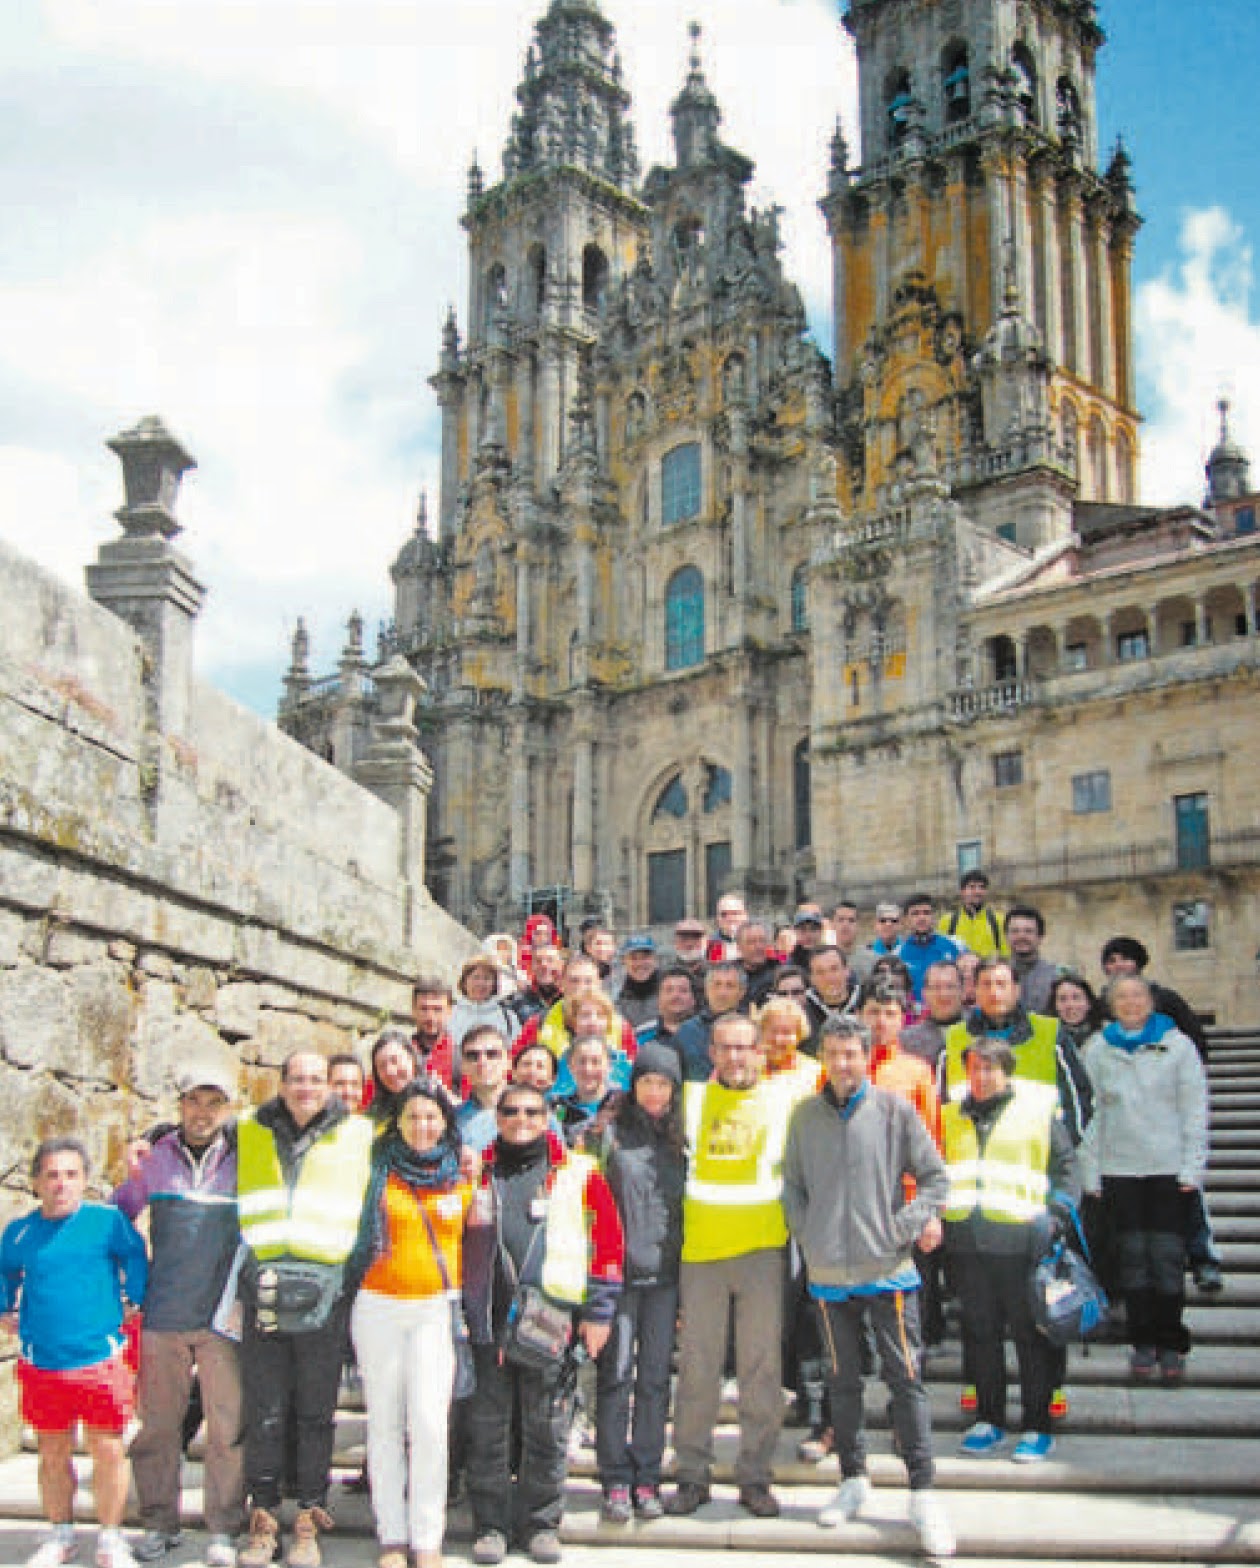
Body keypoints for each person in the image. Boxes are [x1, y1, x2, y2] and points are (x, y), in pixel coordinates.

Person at [783, 1018, 954, 1558]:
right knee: (843, 1380)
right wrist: (806, 1234)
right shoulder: (806, 1116)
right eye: (832, 1054)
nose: (841, 1064)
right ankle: (852, 1477)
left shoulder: (894, 1110)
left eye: (851, 1054)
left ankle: (922, 1490)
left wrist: (901, 1227)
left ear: (866, 1056)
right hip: (829, 1274)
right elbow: (792, 1185)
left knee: (905, 1376)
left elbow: (935, 1178)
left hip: (888, 1270)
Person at [462, 1083, 623, 1566]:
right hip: (489, 1321)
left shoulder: (579, 1172)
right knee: (488, 1431)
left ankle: (541, 1524)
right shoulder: (474, 1172)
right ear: (498, 1115)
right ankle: (490, 1525)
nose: (520, 1119)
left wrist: (599, 1312)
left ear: (547, 1115)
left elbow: (609, 1242)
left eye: (532, 1111)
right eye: (509, 1111)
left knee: (547, 1430)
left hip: (552, 1320)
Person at [236, 1052, 374, 1568]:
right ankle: (264, 1515)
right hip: (265, 1286)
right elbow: (193, 1137)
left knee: (316, 1412)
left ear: (331, 1087)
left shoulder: (360, 1133)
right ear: (283, 1083)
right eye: (297, 1079)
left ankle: (309, 1516)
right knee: (266, 1410)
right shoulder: (249, 1128)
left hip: (327, 1289)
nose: (307, 1088)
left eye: (317, 1080)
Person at [666, 1013, 807, 1520]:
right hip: (701, 1254)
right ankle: (690, 1475)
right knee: (699, 1370)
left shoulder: (785, 1099)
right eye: (724, 1048)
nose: (733, 1057)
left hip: (763, 1253)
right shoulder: (693, 1099)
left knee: (761, 1369)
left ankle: (755, 1476)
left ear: (760, 1051)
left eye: (743, 1047)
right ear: (712, 1053)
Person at [113, 1065, 243, 1568]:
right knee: (158, 1430)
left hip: (221, 1320)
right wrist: (129, 1286)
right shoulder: (155, 1159)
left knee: (226, 1430)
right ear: (179, 1104)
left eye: (214, 1102)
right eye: (194, 1101)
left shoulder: (243, 1158)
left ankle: (224, 1529)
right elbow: (117, 1217)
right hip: (163, 1313)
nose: (203, 1112)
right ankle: (158, 1524)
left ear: (227, 1109)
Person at [1, 1137, 148, 1568]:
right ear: (36, 1183)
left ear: (84, 1180)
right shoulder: (20, 1231)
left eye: (70, 1175)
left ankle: (111, 1538)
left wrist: (134, 1298)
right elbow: (4, 1272)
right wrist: (5, 1307)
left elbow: (136, 1257)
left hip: (98, 1360)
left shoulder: (107, 1222)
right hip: (42, 1361)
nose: (61, 1184)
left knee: (108, 1450)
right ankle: (60, 1535)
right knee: (52, 1453)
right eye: (51, 1175)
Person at [347, 1083, 474, 1568]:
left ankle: (427, 1539)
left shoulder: (461, 1175)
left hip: (434, 1310)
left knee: (428, 1424)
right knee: (384, 1422)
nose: (422, 1126)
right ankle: (392, 1536)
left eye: (431, 1117)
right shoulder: (376, 1171)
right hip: (378, 1304)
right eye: (412, 1117)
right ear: (397, 1123)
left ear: (445, 1122)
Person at [942, 1039, 1079, 1463]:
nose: (981, 1077)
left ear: (1006, 1071)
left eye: (990, 1069)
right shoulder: (951, 1115)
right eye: (974, 1069)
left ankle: (1038, 1425)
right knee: (980, 1334)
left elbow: (1068, 1167)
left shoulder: (1036, 1113)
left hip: (1022, 1241)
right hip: (967, 1241)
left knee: (1030, 1336)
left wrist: (1057, 1213)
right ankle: (989, 1418)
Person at [1078, 976, 1209, 1383]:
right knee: (1132, 1260)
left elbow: (1194, 1110)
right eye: (1122, 997)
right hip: (1119, 1170)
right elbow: (1090, 1115)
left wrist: (1193, 1167)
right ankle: (1142, 1341)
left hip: (1168, 1169)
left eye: (1138, 996)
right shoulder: (1097, 1050)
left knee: (1167, 1260)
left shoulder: (1178, 1047)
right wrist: (1090, 1172)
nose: (1131, 1003)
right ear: (1111, 1005)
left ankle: (1171, 1342)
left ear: (1151, 1002)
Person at [593, 1044, 686, 1523]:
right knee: (616, 1378)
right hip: (620, 1278)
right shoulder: (611, 1134)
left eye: (663, 1084)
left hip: (666, 1279)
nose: (655, 1091)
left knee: (653, 1379)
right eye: (647, 1082)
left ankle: (647, 1474)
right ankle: (613, 1477)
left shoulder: (682, 1141)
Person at [1099, 935, 1220, 1293]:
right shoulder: (1102, 1006)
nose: (1119, 966)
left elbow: (1196, 1045)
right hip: (1124, 1126)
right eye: (1113, 960)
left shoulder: (1167, 1001)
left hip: (1164, 1119)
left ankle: (1204, 1260)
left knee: (1188, 1197)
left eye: (1126, 960)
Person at [670, 961, 747, 1083]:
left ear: (741, 992)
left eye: (730, 986)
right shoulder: (687, 1031)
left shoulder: (751, 1031)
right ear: (706, 989)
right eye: (717, 985)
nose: (722, 993)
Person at [450, 956, 521, 1072]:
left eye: (487, 978)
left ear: (494, 984)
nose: (480, 983)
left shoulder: (508, 1017)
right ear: (464, 982)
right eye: (475, 978)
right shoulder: (450, 1014)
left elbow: (516, 1054)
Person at [553, 1034, 621, 1149]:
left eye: (596, 1062)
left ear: (609, 1066)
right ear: (570, 1066)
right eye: (581, 1061)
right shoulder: (558, 1107)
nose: (588, 1069)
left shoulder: (624, 1105)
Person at [455, 1025, 514, 1154]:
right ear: (463, 1066)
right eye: (472, 1056)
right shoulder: (451, 1121)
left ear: (509, 1063)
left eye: (492, 1054)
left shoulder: (535, 1112)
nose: (482, 1062)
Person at [895, 893, 964, 1001]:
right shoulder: (898, 954)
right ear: (906, 919)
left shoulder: (954, 945)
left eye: (926, 913)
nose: (922, 918)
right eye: (915, 914)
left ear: (933, 917)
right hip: (915, 1015)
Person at [901, 960, 966, 1071]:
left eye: (950, 987)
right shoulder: (907, 1041)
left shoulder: (978, 1031)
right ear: (924, 993)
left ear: (962, 991)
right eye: (936, 987)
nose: (943, 994)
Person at [802, 946, 858, 1055]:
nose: (829, 978)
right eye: (820, 972)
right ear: (812, 979)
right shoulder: (803, 1013)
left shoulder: (865, 1003)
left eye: (834, 969)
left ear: (847, 971)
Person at [938, 870, 1007, 958]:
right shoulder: (947, 921)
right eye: (972, 887)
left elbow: (1006, 956)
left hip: (989, 970)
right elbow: (941, 955)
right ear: (962, 891)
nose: (977, 891)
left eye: (982, 887)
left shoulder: (999, 920)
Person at [1004, 906, 1058, 1016]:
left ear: (1040, 937)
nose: (1021, 936)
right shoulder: (992, 976)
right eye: (1015, 931)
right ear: (1006, 936)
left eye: (1028, 931)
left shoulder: (1056, 977)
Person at [613, 934, 662, 1040]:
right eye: (633, 958)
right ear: (624, 962)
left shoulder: (669, 990)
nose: (640, 963)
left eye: (645, 957)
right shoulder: (618, 998)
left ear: (655, 960)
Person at [412, 978, 457, 1093]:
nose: (430, 1017)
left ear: (449, 1011)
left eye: (437, 1010)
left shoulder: (462, 1058)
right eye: (424, 1009)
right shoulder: (400, 1054)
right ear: (413, 1010)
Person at [511, 945, 565, 1027]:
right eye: (538, 961)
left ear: (561, 965)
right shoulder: (517, 1001)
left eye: (550, 960)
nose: (544, 965)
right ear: (532, 966)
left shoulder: (571, 997)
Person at [1050, 973, 1105, 1054]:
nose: (1070, 1005)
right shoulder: (1047, 1039)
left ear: (1089, 1003)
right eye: (1062, 999)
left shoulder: (1107, 1037)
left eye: (1076, 998)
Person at [735, 920, 781, 1009]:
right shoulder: (729, 974)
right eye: (751, 942)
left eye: (762, 940)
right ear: (739, 947)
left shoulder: (779, 971)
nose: (758, 946)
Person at [831, 900, 875, 983]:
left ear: (858, 925)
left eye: (851, 920)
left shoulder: (873, 961)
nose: (845, 924)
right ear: (832, 924)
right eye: (841, 920)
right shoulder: (824, 959)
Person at [706, 892, 748, 962]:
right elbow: (715, 968)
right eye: (724, 914)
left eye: (735, 914)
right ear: (717, 918)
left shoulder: (759, 942)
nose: (730, 919)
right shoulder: (713, 944)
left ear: (745, 916)